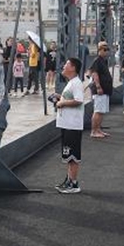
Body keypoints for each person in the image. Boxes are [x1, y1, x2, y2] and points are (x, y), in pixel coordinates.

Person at [53, 57, 85, 194]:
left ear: (73, 68)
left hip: (72, 125)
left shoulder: (76, 83)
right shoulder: (71, 83)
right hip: (67, 124)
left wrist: (61, 103)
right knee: (68, 154)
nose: (64, 66)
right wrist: (60, 97)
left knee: (73, 156)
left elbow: (78, 100)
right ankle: (69, 180)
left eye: (66, 64)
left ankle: (73, 183)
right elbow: (71, 98)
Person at [89, 40, 113, 138]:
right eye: (105, 49)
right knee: (98, 111)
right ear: (99, 50)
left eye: (107, 49)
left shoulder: (104, 61)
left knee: (101, 111)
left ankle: (98, 129)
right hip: (100, 90)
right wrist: (98, 87)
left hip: (105, 90)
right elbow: (94, 74)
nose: (107, 51)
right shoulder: (97, 61)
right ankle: (94, 131)